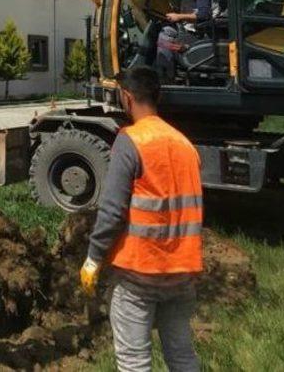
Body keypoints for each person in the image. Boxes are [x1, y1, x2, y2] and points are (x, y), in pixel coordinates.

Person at [80, 66, 203, 372]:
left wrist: (94, 259)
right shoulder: (185, 144)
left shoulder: (131, 141)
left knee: (134, 362)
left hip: (140, 272)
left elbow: (112, 210)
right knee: (182, 354)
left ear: (127, 97)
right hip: (182, 271)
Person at [156, 0, 212, 81]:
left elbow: (203, 15)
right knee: (163, 29)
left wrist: (178, 17)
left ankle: (167, 77)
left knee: (164, 37)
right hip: (186, 30)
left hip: (197, 34)